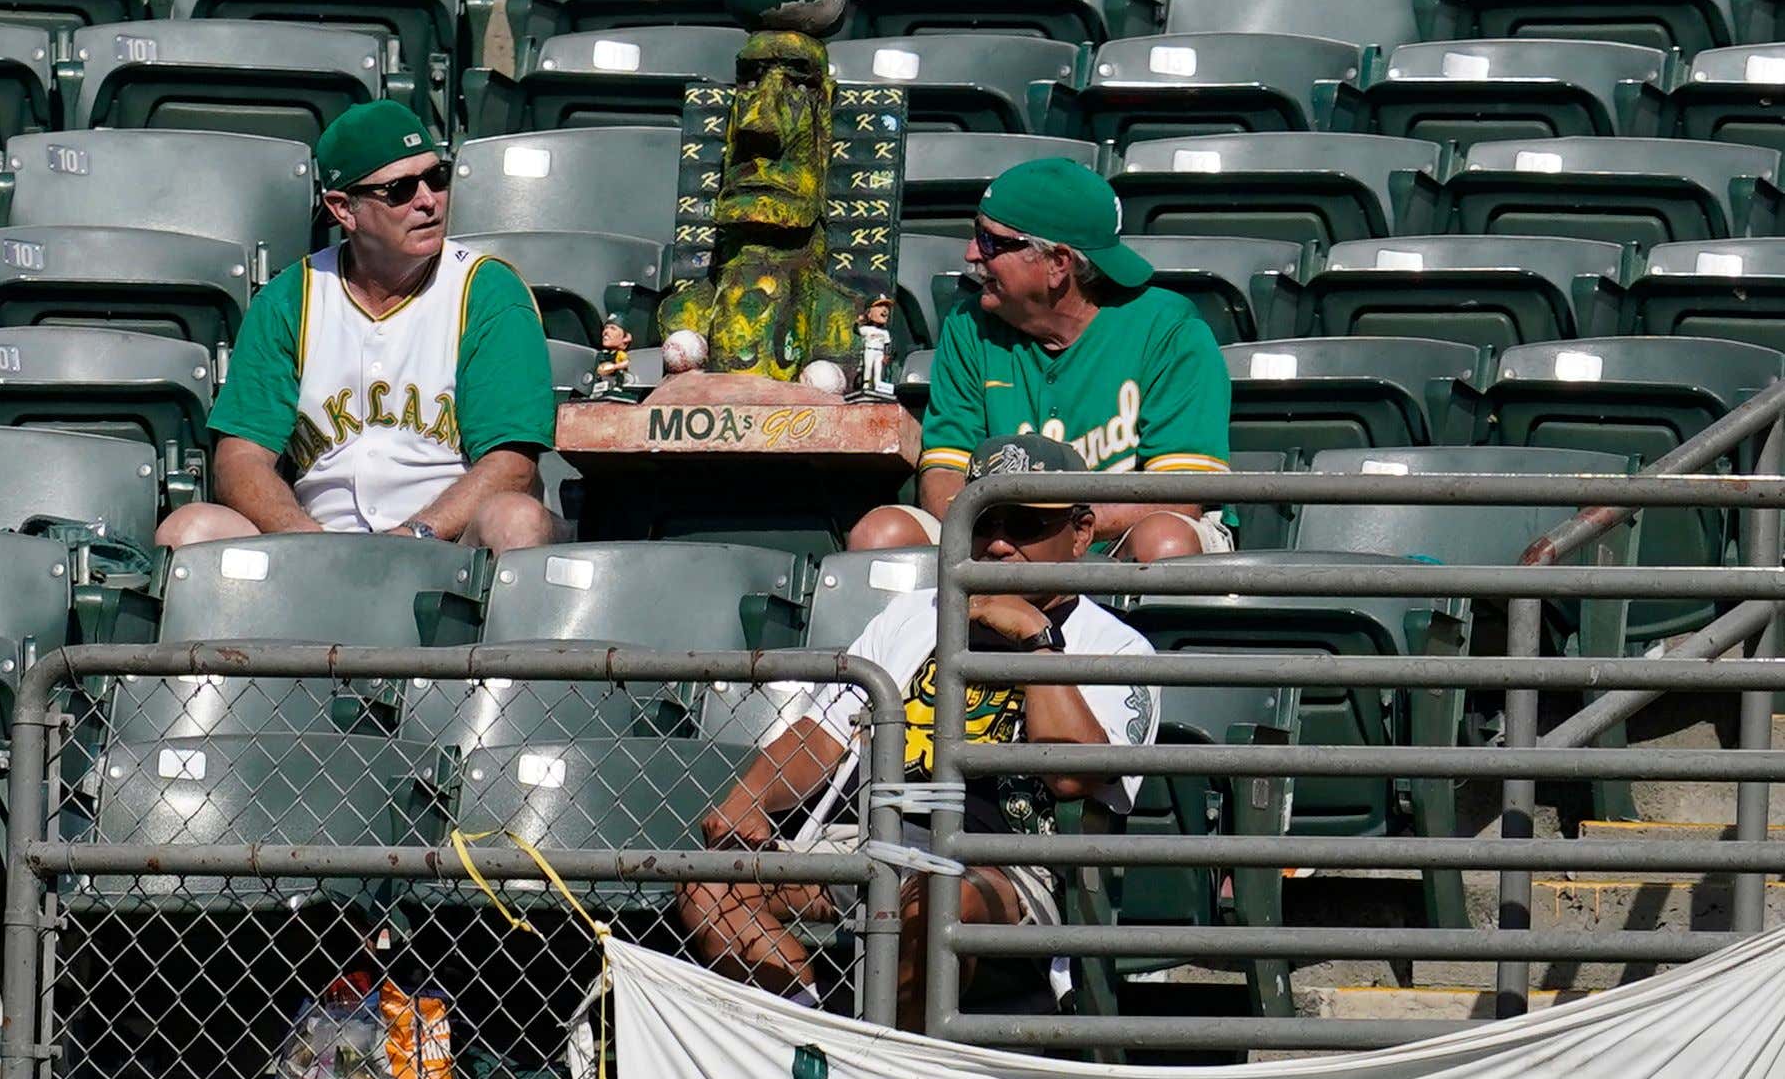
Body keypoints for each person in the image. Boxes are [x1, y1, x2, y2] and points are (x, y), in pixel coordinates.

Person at [681, 438, 1156, 1014]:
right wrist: (749, 797)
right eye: (983, 523)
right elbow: (824, 735)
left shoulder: (1117, 647)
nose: (999, 544)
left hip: (1013, 866)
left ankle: (888, 1074)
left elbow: (1074, 780)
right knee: (710, 881)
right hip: (876, 841)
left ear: (1080, 532)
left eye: (1025, 525)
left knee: (937, 898)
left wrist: (1036, 641)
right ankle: (815, 1034)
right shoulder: (912, 616)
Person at [161, 97, 563, 555]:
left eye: (437, 177)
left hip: (450, 547)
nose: (428, 201)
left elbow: (512, 465)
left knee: (516, 518)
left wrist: (416, 534)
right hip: (318, 546)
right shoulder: (290, 299)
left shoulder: (488, 291)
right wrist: (306, 539)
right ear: (343, 209)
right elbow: (240, 458)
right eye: (399, 190)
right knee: (189, 529)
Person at [851, 154, 1228, 566]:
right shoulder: (970, 325)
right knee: (880, 535)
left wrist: (1043, 533)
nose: (972, 253)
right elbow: (944, 473)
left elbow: (1179, 493)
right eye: (977, 232)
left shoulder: (1169, 330)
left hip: (1117, 541)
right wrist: (1008, 532)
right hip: (990, 536)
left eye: (992, 242)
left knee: (1166, 540)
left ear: (1057, 263)